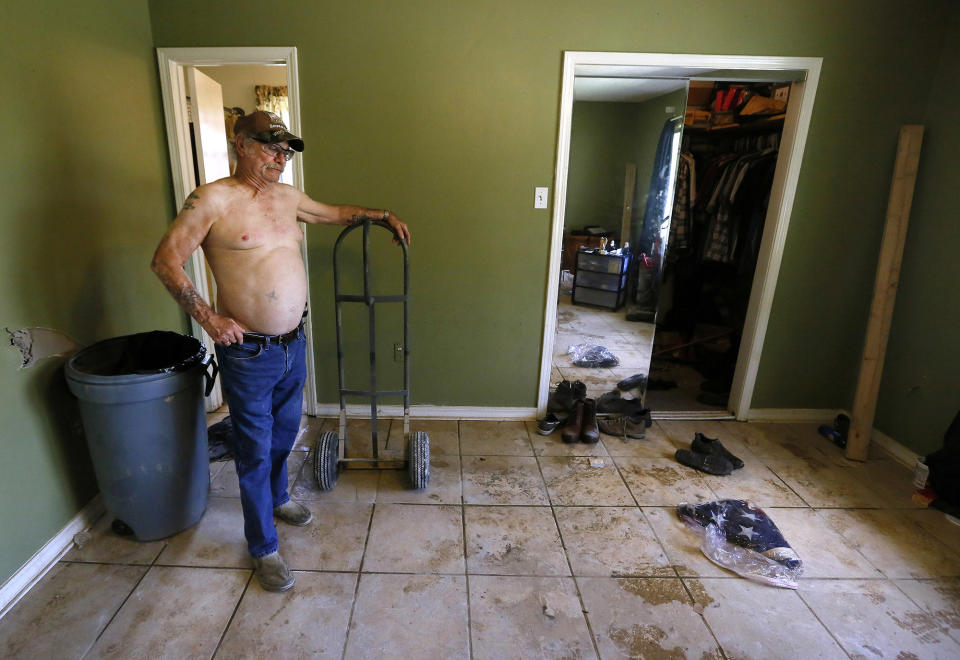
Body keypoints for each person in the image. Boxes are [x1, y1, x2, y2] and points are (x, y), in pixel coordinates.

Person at [151, 110, 410, 592]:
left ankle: (278, 496)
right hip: (248, 352)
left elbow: (333, 213)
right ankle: (263, 546)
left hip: (294, 344)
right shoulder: (212, 199)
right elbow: (165, 260)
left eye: (285, 150)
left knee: (285, 432)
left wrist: (380, 215)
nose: (280, 157)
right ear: (240, 144)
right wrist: (209, 319)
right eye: (270, 147)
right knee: (252, 447)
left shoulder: (288, 198)